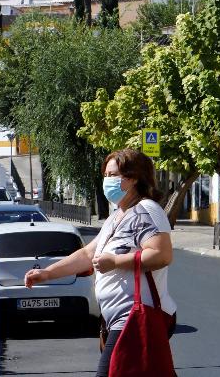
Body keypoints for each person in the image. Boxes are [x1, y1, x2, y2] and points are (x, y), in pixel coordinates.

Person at [24, 149, 176, 376]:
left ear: (133, 178)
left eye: (113, 175)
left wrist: (116, 261)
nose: (107, 181)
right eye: (105, 175)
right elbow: (87, 255)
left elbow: (161, 255)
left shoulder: (146, 211)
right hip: (116, 319)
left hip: (135, 317)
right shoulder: (117, 216)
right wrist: (47, 273)